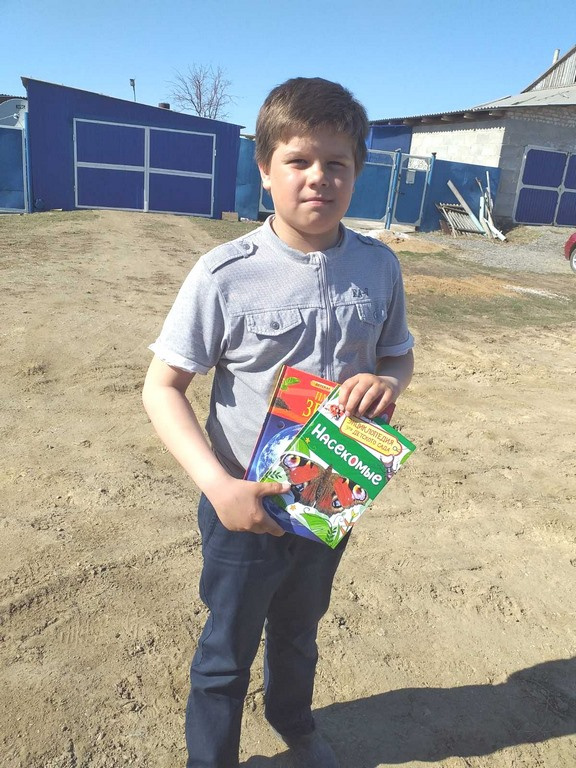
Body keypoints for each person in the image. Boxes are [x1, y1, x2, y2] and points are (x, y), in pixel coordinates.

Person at [142, 76, 414, 768]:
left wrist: (387, 382)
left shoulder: (379, 267)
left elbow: (397, 355)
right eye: (298, 160)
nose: (319, 177)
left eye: (337, 163)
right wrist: (218, 487)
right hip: (245, 504)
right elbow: (162, 388)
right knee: (226, 648)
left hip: (330, 494)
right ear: (265, 170)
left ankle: (294, 722)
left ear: (357, 172)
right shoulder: (224, 274)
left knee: (299, 629)